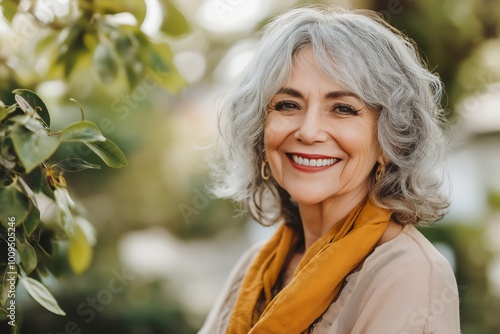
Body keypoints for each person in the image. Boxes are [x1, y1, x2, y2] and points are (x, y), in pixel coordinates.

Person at [200, 6, 460, 334]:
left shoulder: (407, 274)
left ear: (389, 140)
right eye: (287, 105)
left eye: (342, 108)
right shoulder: (255, 267)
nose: (309, 132)